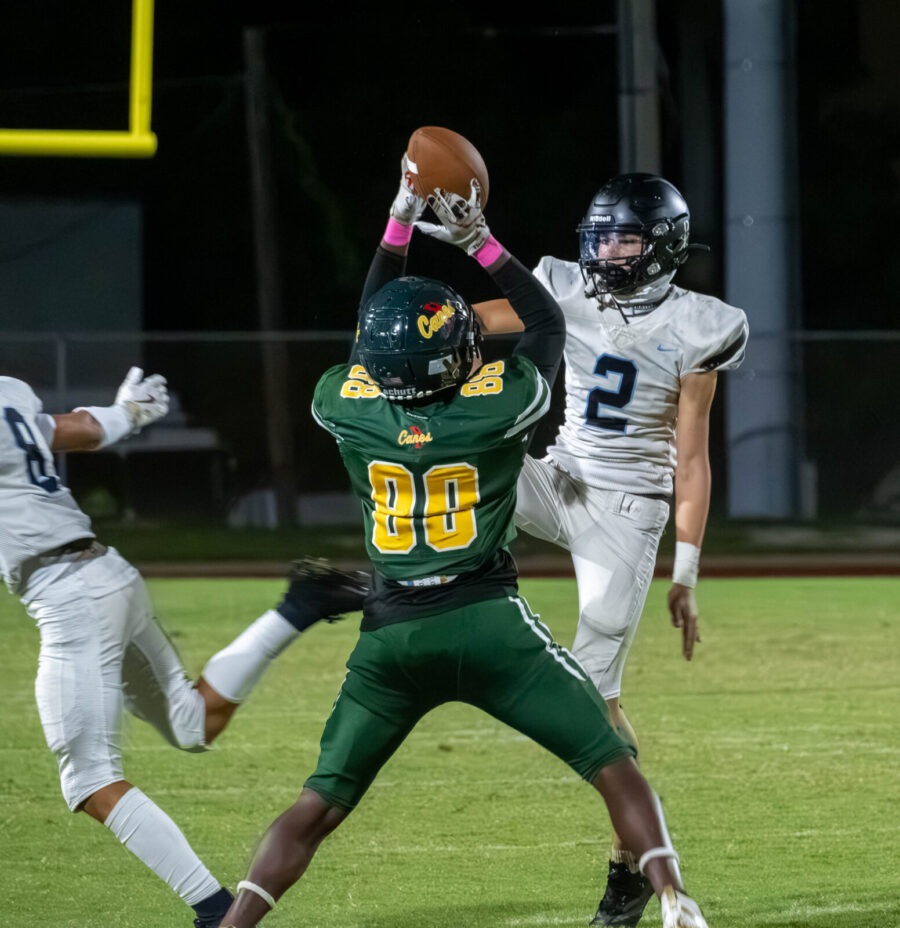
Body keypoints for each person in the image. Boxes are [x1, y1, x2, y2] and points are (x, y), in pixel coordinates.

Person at [220, 157, 710, 928]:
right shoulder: (497, 411)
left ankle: (235, 922)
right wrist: (479, 240)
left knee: (317, 804)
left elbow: (367, 334)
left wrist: (399, 223)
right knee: (612, 763)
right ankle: (673, 894)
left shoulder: (347, 406)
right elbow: (543, 322)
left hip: (390, 635)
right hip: (487, 622)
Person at [472, 172, 748, 927]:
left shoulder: (701, 323)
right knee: (466, 461)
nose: (606, 250)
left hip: (627, 512)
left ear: (663, 245)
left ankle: (633, 869)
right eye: (599, 235)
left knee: (592, 707)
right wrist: (421, 313)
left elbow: (691, 461)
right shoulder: (565, 283)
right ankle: (441, 590)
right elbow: (482, 316)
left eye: (624, 236)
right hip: (559, 476)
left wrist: (684, 573)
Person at [0, 368, 367, 927]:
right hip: (107, 575)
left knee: (90, 779)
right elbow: (73, 429)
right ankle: (301, 606)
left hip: (66, 595)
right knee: (192, 722)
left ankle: (215, 912)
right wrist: (130, 413)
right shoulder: (8, 391)